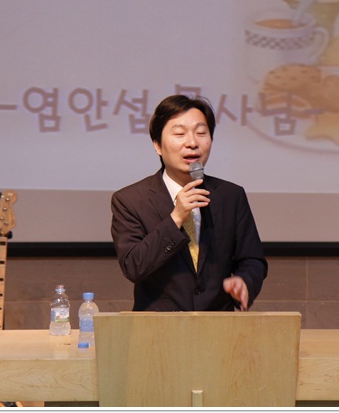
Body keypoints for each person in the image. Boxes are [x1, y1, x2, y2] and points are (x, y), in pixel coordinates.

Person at [111, 94, 268, 311]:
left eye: (201, 133)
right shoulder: (130, 200)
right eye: (179, 134)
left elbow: (252, 260)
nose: (192, 143)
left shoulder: (231, 196)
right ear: (157, 145)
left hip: (218, 324)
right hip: (157, 326)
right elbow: (133, 266)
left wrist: (245, 282)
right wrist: (176, 218)